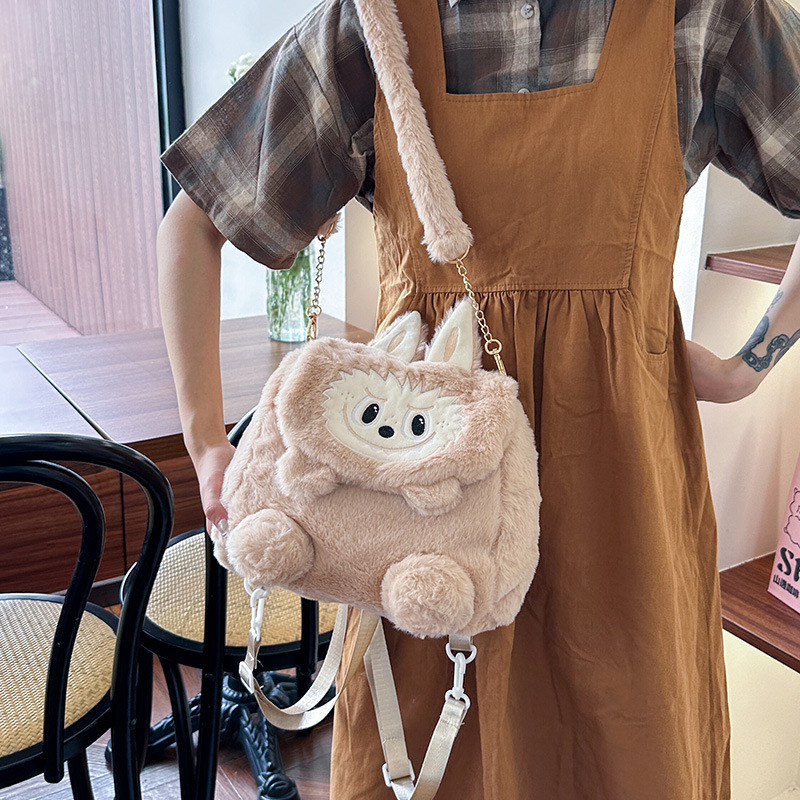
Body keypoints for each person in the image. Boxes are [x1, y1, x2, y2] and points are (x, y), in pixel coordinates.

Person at [157, 0, 800, 797]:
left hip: (616, 503)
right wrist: (205, 446)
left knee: (624, 749)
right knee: (431, 749)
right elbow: (195, 222)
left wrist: (746, 367)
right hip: (426, 510)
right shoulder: (371, 24)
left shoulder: (705, 16)